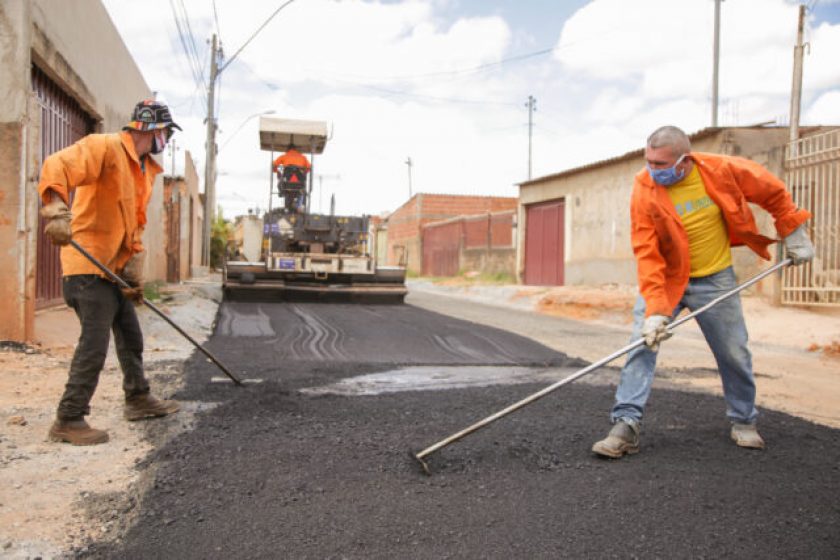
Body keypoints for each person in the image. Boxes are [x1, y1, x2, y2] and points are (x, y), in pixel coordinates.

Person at [592, 125, 815, 459]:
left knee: (734, 352)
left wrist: (793, 230)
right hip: (667, 280)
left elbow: (773, 192)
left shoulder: (723, 170)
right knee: (642, 345)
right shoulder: (644, 186)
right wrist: (654, 310)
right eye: (649, 161)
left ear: (685, 160)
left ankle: (743, 420)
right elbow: (646, 249)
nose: (653, 170)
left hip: (715, 279)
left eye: (661, 164)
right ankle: (626, 424)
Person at [38, 99, 183, 446]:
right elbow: (58, 165)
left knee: (131, 337)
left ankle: (137, 398)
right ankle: (69, 418)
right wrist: (56, 210)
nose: (167, 140)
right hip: (88, 268)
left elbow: (132, 222)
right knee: (94, 343)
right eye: (165, 132)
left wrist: (132, 270)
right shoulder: (104, 147)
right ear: (150, 129)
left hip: (112, 272)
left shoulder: (143, 170)